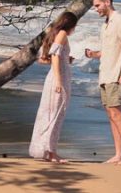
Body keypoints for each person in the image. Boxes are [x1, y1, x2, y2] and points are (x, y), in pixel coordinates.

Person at [84, 0, 121, 165]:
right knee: (111, 116)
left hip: (115, 75)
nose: (96, 9)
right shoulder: (105, 24)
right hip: (104, 75)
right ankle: (118, 154)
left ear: (107, 2)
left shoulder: (120, 20)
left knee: (116, 115)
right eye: (95, 6)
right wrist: (94, 54)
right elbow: (108, 50)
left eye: (97, 5)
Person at [29, 11, 77, 163]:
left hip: (57, 78)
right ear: (70, 24)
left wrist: (66, 58)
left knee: (51, 114)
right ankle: (51, 153)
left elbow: (45, 59)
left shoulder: (55, 34)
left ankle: (48, 151)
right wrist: (58, 80)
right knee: (55, 115)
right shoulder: (62, 34)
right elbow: (55, 56)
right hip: (58, 79)